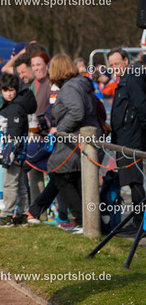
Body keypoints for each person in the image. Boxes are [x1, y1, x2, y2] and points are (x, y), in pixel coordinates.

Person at [46, 54, 100, 234]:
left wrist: (60, 130)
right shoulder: (80, 83)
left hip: (75, 138)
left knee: (58, 171)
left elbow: (77, 112)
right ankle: (84, 220)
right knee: (75, 177)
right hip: (82, 138)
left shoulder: (70, 87)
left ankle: (82, 220)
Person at [0, 73, 37, 227]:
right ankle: (22, 214)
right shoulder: (13, 106)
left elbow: (14, 134)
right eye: (5, 90)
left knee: (10, 184)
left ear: (17, 89)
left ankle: (7, 215)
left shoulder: (15, 108)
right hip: (15, 153)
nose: (9, 93)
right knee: (21, 184)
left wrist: (9, 154)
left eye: (11, 90)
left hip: (12, 154)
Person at [109, 47, 146, 232]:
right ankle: (138, 221)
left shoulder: (132, 79)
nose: (114, 67)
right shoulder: (125, 79)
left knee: (134, 181)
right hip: (125, 137)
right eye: (111, 65)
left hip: (132, 137)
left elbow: (141, 106)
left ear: (126, 61)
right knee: (132, 181)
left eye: (117, 63)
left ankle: (139, 223)